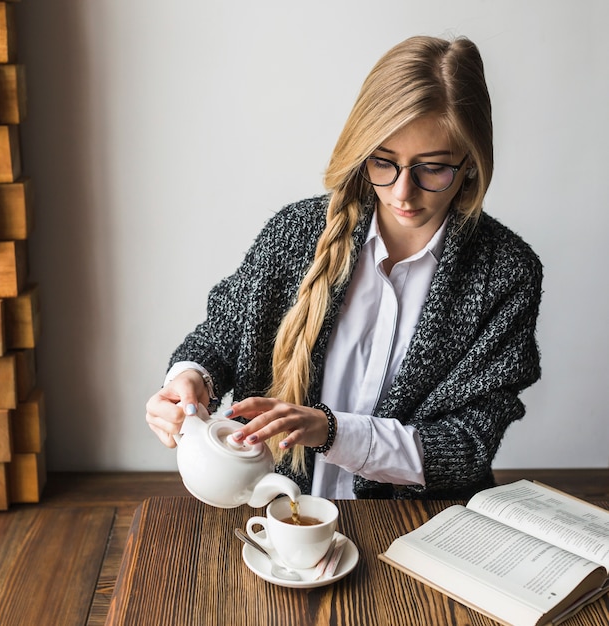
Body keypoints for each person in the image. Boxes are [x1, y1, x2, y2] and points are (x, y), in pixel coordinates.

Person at [146, 35, 542, 500]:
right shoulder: (296, 232)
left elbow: (468, 446)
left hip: (419, 530)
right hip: (273, 515)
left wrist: (333, 432)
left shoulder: (507, 274)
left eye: (432, 169)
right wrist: (188, 380)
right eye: (384, 162)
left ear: (470, 164)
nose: (402, 193)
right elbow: (223, 336)